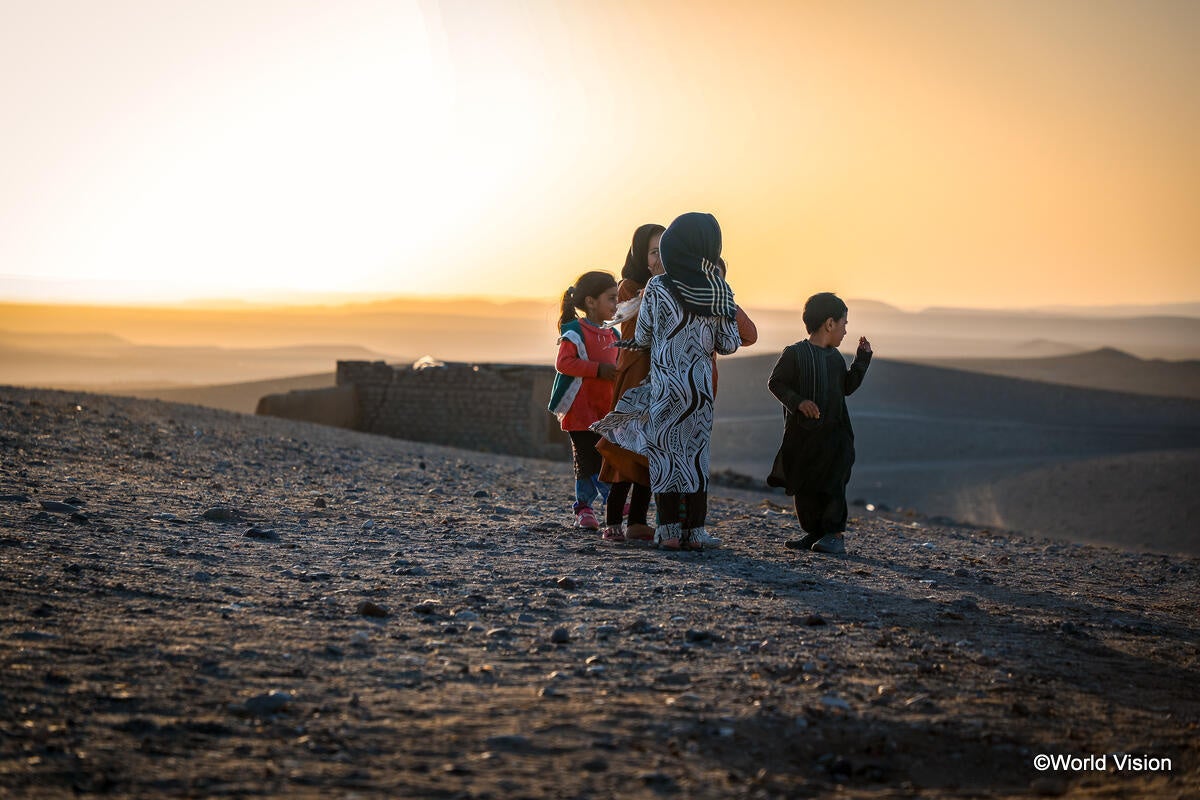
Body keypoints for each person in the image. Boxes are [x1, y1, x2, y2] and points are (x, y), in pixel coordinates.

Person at [631, 212, 741, 551]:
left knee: (665, 454)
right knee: (695, 457)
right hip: (700, 389)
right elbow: (729, 343)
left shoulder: (657, 287)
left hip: (665, 387)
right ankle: (695, 532)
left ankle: (668, 532)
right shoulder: (719, 288)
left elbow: (642, 335)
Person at [766, 292, 872, 554]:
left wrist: (862, 360)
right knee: (806, 487)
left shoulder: (835, 358)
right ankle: (814, 532)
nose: (845, 331)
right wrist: (798, 402)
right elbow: (776, 383)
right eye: (844, 324)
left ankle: (834, 534)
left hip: (835, 437)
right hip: (803, 437)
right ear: (829, 323)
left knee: (833, 485)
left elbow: (846, 387)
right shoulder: (794, 354)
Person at [549, 271, 620, 530]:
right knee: (590, 459)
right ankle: (598, 503)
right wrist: (598, 370)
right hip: (579, 411)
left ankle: (592, 506)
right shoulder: (575, 332)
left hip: (605, 411)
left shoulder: (614, 335)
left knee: (601, 458)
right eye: (611, 298)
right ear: (591, 302)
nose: (616, 304)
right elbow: (564, 363)